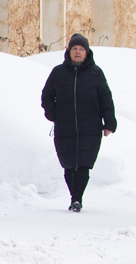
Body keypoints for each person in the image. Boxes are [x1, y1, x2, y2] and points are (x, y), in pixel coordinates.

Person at [41, 33, 116, 212]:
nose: (77, 52)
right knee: (68, 163)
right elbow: (47, 95)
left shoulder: (96, 73)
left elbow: (106, 98)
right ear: (69, 51)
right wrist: (52, 113)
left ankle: (77, 198)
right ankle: (73, 195)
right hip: (64, 125)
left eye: (81, 49)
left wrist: (109, 123)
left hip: (90, 126)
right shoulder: (58, 72)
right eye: (74, 48)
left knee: (83, 163)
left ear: (87, 52)